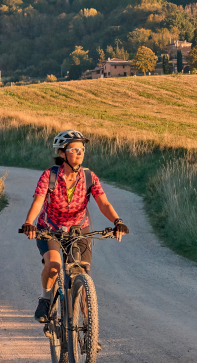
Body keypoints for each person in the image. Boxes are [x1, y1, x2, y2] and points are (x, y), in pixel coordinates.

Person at [22, 130, 129, 322]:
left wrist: (117, 221)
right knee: (54, 264)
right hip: (50, 230)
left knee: (83, 274)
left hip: (79, 230)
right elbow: (38, 201)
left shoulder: (89, 177)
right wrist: (29, 223)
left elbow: (103, 203)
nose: (79, 153)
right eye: (74, 149)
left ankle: (89, 330)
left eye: (82, 149)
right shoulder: (49, 176)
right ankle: (46, 300)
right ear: (62, 153)